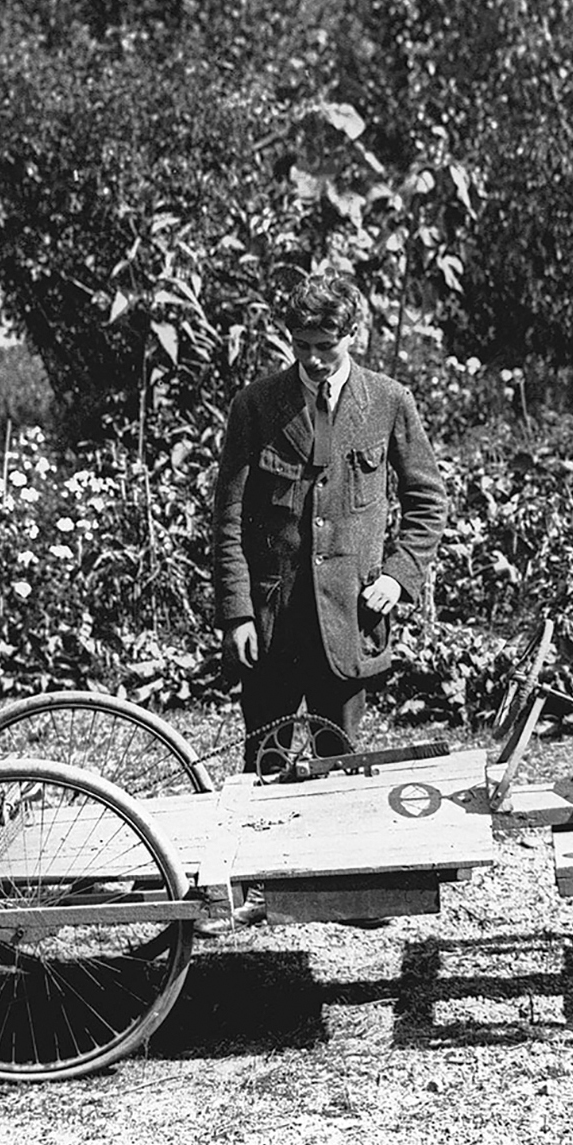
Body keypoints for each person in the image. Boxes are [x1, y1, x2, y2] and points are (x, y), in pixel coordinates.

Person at [208, 270, 448, 928]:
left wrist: (398, 575)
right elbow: (227, 518)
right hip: (271, 618)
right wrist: (234, 611)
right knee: (262, 756)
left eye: (327, 346)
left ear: (354, 335)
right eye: (303, 344)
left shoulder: (388, 401)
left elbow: (428, 499)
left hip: (352, 618)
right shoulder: (255, 406)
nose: (314, 359)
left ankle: (346, 887)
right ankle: (255, 888)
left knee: (345, 754)